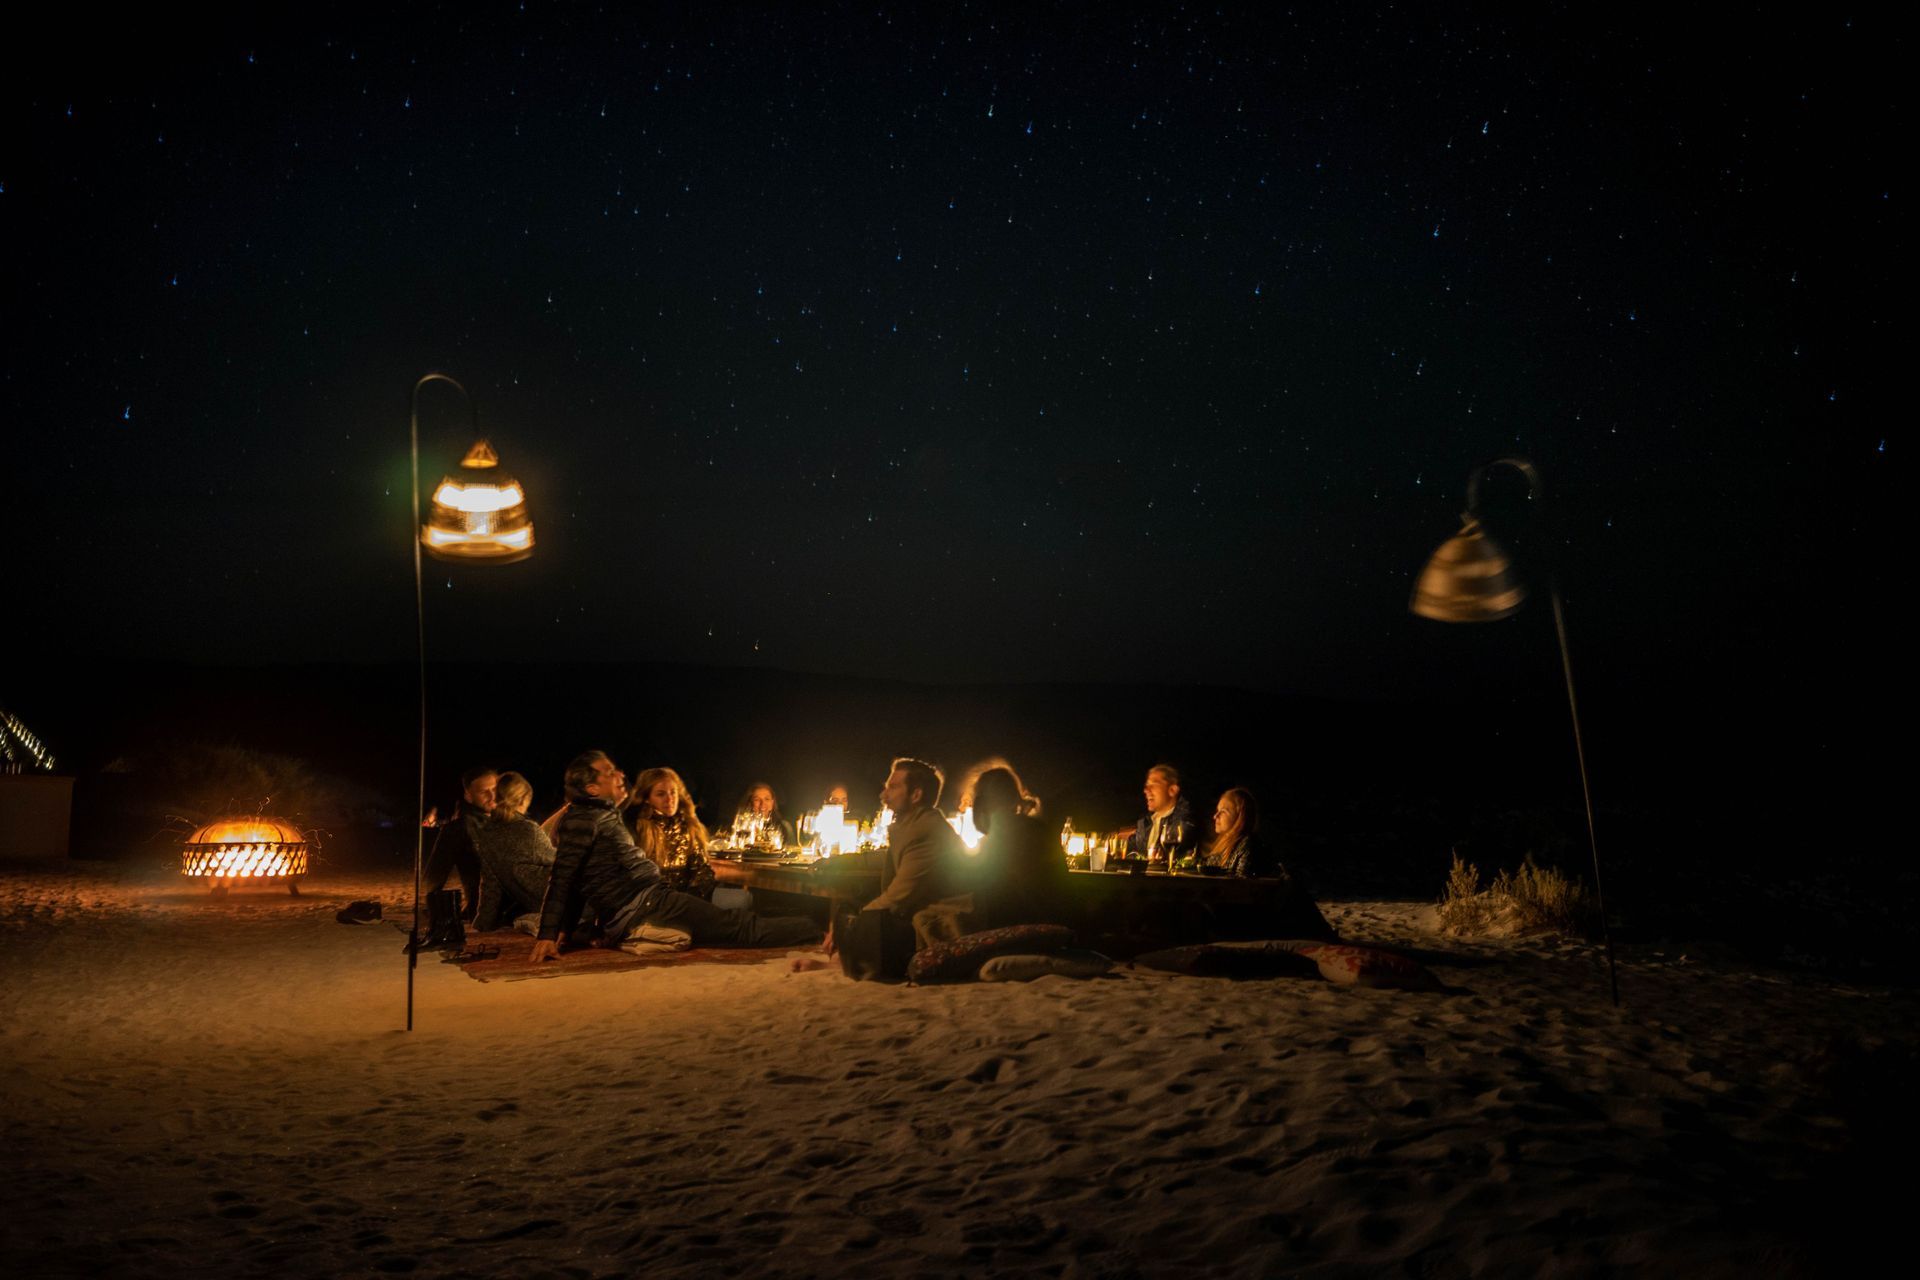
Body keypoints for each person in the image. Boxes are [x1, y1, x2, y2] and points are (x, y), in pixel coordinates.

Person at [529, 752, 820, 963]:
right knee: (741, 927)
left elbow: (577, 877)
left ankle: (813, 926)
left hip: (651, 901)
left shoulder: (598, 816)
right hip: (647, 904)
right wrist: (548, 934)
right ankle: (822, 928)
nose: (620, 775)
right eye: (609, 772)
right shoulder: (586, 820)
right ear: (592, 789)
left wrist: (564, 930)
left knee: (733, 918)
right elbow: (564, 877)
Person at [829, 757, 968, 978]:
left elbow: (897, 897)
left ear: (916, 795)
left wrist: (850, 929)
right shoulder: (911, 826)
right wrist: (836, 861)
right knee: (851, 907)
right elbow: (885, 858)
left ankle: (843, 962)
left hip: (943, 922)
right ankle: (845, 958)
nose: (883, 795)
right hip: (919, 913)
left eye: (893, 787)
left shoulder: (925, 831)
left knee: (866, 919)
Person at [970, 764, 1070, 929]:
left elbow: (992, 903)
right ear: (1014, 797)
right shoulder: (1038, 828)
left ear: (981, 802)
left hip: (1018, 930)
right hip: (1057, 925)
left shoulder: (994, 837)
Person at [472, 771, 556, 931]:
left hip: (531, 902)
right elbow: (562, 863)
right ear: (523, 799)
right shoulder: (528, 830)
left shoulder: (487, 835)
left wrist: (483, 923)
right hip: (553, 899)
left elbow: (490, 886)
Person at [628, 766, 715, 900]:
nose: (669, 799)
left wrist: (688, 902)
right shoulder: (637, 828)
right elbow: (636, 878)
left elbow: (702, 872)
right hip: (650, 902)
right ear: (647, 798)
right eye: (661, 794)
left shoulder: (689, 826)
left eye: (673, 792)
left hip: (686, 902)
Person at [425, 766, 496, 920]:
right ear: (468, 796)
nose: (492, 796)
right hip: (487, 913)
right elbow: (433, 878)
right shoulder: (459, 829)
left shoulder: (513, 822)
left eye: (495, 789)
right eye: (484, 792)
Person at [1203, 787, 1285, 879]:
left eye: (1223, 811)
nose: (1215, 816)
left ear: (1240, 815)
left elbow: (1241, 882)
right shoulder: (1223, 845)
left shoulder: (1246, 845)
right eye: (1217, 811)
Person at [1128, 763, 1200, 863]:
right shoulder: (1146, 823)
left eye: (1154, 784)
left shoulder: (1185, 820)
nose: (1146, 790)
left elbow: (1178, 849)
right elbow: (1129, 850)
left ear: (1172, 790)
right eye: (1147, 786)